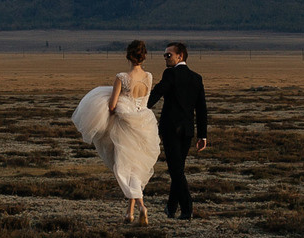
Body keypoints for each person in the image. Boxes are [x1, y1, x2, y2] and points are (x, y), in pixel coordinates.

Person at [71, 40, 162, 224]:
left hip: (124, 127)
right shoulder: (149, 77)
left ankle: (141, 207)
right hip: (143, 124)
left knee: (125, 169)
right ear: (143, 56)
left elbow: (112, 105)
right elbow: (144, 101)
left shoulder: (122, 77)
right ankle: (129, 213)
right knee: (135, 167)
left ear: (128, 56)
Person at [147, 41, 209, 220]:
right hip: (187, 131)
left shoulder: (170, 74)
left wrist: (139, 108)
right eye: (164, 55)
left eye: (169, 55)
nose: (165, 58)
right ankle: (171, 207)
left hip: (171, 130)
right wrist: (202, 135)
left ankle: (187, 208)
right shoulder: (196, 78)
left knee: (176, 171)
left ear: (180, 56)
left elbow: (157, 93)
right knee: (178, 168)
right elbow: (201, 109)